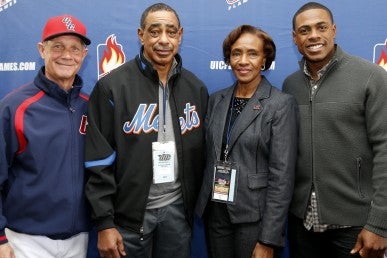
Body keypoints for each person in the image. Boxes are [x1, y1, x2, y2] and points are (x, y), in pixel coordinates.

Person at [84, 3, 208, 258]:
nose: (163, 40)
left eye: (171, 32)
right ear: (141, 34)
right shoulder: (112, 87)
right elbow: (98, 162)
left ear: (180, 35)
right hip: (127, 218)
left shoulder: (196, 89)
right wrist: (104, 222)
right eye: (155, 31)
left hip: (177, 213)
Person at [282, 2, 387, 258]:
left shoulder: (371, 76)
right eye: (304, 30)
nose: (314, 35)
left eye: (321, 27)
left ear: (334, 30)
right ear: (295, 39)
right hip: (302, 223)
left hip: (355, 225)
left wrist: (379, 223)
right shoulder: (290, 84)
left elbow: (385, 150)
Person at [195, 25, 299, 258]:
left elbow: (282, 177)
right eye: (236, 53)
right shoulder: (216, 99)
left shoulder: (280, 104)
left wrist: (268, 238)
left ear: (264, 59)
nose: (243, 60)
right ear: (228, 59)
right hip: (216, 211)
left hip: (255, 217)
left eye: (252, 53)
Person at [0, 14, 91, 258]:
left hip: (78, 239)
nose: (66, 55)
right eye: (57, 46)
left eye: (74, 48)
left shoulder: (90, 106)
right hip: (25, 240)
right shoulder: (14, 107)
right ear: (42, 50)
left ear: (84, 55)